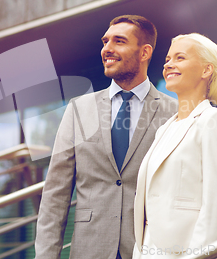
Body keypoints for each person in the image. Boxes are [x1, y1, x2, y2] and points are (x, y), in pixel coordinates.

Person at [35, 15, 178, 259]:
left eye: (119, 41)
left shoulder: (175, 112)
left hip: (149, 250)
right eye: (105, 41)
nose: (107, 49)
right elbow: (55, 195)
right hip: (90, 249)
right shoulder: (78, 109)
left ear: (144, 52)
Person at [133, 33, 217, 258]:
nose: (169, 64)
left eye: (180, 58)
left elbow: (214, 205)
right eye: (168, 59)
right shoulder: (165, 129)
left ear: (206, 70)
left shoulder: (215, 121)